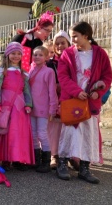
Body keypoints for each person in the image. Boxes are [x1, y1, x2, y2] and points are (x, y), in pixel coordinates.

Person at [56, 21, 112, 184]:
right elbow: (63, 76)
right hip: (73, 100)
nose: (72, 40)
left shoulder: (100, 54)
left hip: (90, 102)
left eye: (75, 36)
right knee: (69, 131)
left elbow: (107, 76)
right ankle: (62, 164)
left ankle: (85, 168)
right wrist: (77, 91)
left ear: (86, 36)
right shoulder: (67, 54)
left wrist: (98, 92)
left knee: (89, 133)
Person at [0, 42, 34, 171]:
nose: (16, 56)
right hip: (6, 106)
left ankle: (18, 158)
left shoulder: (24, 73)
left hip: (20, 108)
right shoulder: (1, 71)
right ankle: (5, 158)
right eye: (13, 53)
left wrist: (28, 104)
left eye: (19, 53)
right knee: (6, 132)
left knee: (19, 133)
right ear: (7, 55)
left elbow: (27, 90)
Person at [28, 46, 58, 173]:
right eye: (35, 54)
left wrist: (53, 108)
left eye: (40, 55)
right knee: (33, 134)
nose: (37, 57)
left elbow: (52, 91)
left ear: (46, 57)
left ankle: (46, 161)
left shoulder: (49, 72)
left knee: (42, 133)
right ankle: (36, 160)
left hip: (43, 108)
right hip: (31, 108)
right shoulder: (31, 70)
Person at [46, 30, 71, 169]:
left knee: (69, 128)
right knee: (54, 128)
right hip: (55, 100)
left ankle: (69, 155)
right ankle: (54, 155)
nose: (60, 46)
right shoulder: (49, 63)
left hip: (70, 99)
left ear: (69, 43)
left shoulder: (74, 61)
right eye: (57, 43)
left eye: (63, 43)